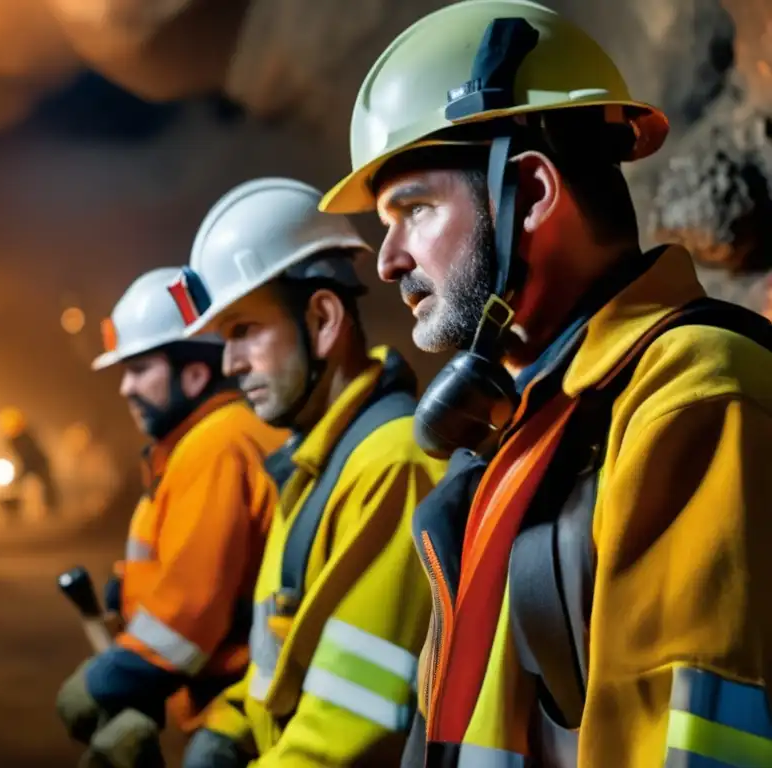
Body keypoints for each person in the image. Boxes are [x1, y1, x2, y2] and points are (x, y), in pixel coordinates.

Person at [319, 1, 772, 766]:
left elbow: (689, 745)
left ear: (528, 195)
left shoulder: (692, 395)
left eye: (416, 209)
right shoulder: (537, 420)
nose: (389, 259)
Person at [176, 177, 447, 767]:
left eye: (245, 330)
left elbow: (349, 731)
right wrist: (229, 726)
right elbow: (289, 659)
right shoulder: (317, 462)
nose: (229, 362)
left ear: (323, 318)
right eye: (225, 339)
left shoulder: (390, 464)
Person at [55, 267, 288, 767]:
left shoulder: (215, 446)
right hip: (241, 691)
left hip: (238, 699)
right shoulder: (210, 439)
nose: (125, 388)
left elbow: (192, 611)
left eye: (139, 369)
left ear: (195, 373)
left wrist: (110, 678)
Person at [0, 406, 60, 516]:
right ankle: (12, 507)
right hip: (28, 463)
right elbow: (11, 454)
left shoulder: (25, 436)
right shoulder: (12, 439)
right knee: (17, 484)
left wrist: (23, 469)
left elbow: (29, 454)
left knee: (47, 484)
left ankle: (53, 507)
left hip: (38, 462)